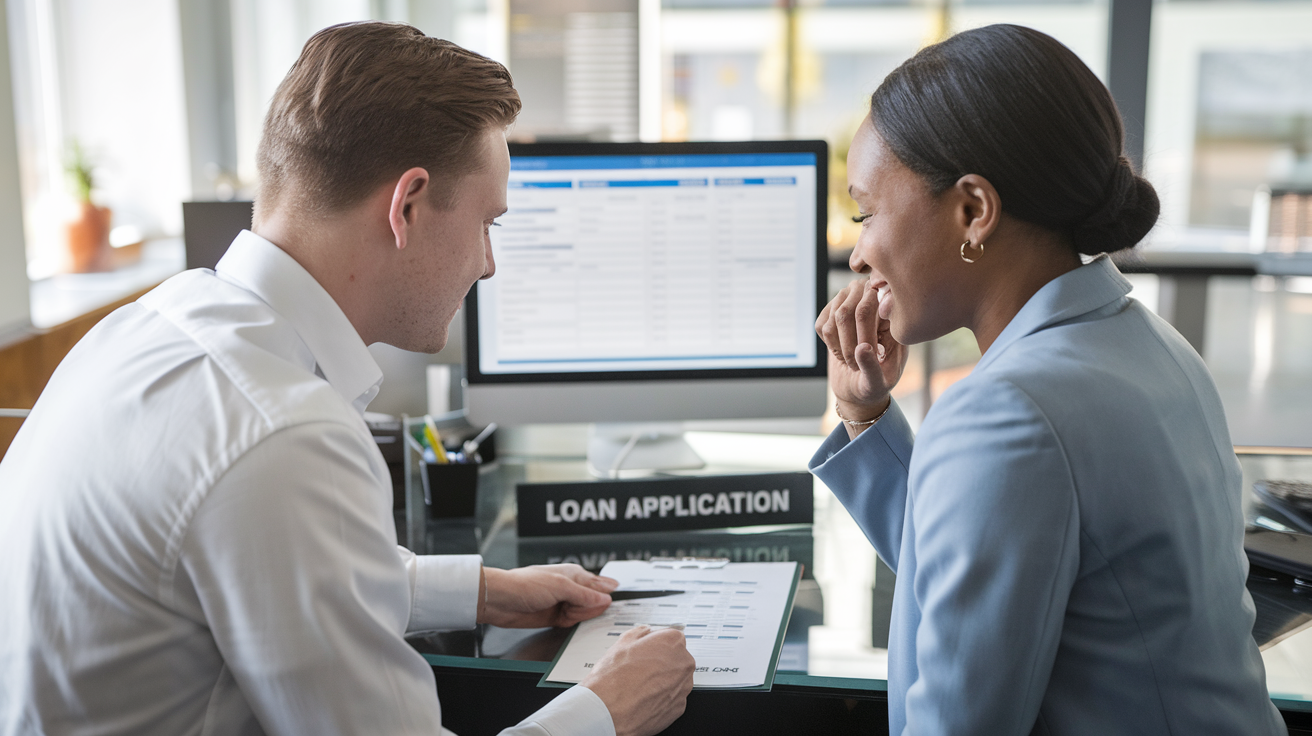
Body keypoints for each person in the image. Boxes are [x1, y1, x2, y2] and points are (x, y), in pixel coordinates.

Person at [0, 22, 693, 736]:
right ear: (408, 206)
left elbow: (266, 565)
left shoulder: (150, 324)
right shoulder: (285, 433)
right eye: (488, 222)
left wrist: (480, 590)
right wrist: (609, 710)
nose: (489, 263)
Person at [810, 24, 1285, 735]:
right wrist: (866, 416)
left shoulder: (1007, 412)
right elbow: (989, 557)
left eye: (865, 212)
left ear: (973, 211)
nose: (857, 254)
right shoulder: (1152, 346)